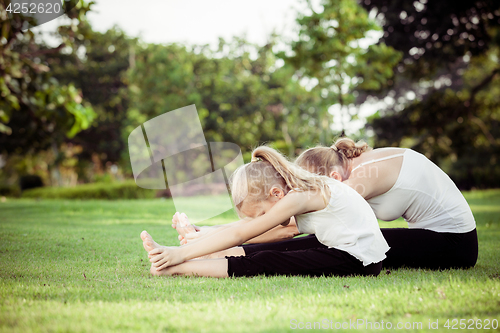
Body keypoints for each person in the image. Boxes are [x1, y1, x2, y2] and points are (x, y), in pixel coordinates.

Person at [141, 146, 390, 277]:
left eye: (260, 214)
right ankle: (199, 257)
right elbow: (244, 228)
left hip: (360, 261)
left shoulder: (300, 196)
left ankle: (176, 268)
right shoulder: (302, 188)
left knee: (267, 261)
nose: (261, 221)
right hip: (352, 253)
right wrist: (203, 234)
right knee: (273, 249)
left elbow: (244, 233)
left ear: (275, 194)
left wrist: (179, 255)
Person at [293, 138, 478, 270]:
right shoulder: (358, 164)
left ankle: (264, 255)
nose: (311, 192)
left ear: (329, 174)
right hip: (438, 236)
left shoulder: (363, 175)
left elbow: (301, 223)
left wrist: (268, 222)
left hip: (455, 243)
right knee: (336, 237)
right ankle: (263, 252)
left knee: (343, 242)